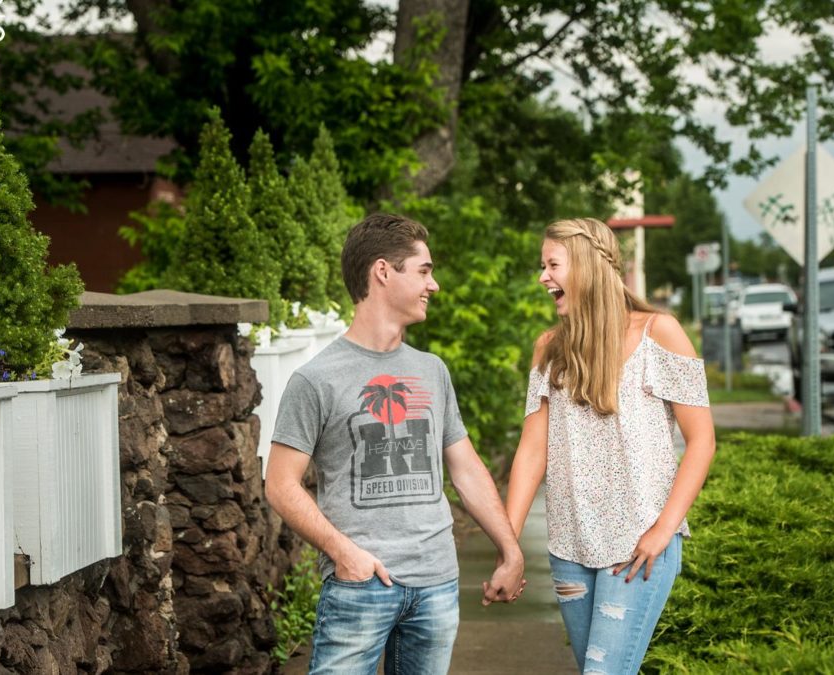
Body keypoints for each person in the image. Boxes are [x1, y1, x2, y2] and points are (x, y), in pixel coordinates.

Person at [265, 213, 525, 674]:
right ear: (383, 272)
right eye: (424, 271)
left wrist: (510, 549)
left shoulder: (432, 370)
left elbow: (464, 468)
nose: (434, 285)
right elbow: (280, 484)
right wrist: (344, 553)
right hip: (360, 586)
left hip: (438, 583)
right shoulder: (315, 379)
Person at [506, 217, 716, 675]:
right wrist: (510, 542)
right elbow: (532, 451)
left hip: (638, 543)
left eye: (552, 264)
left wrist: (664, 530)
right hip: (570, 545)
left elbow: (702, 441)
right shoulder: (549, 348)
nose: (543, 277)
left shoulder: (658, 333)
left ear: (584, 266)